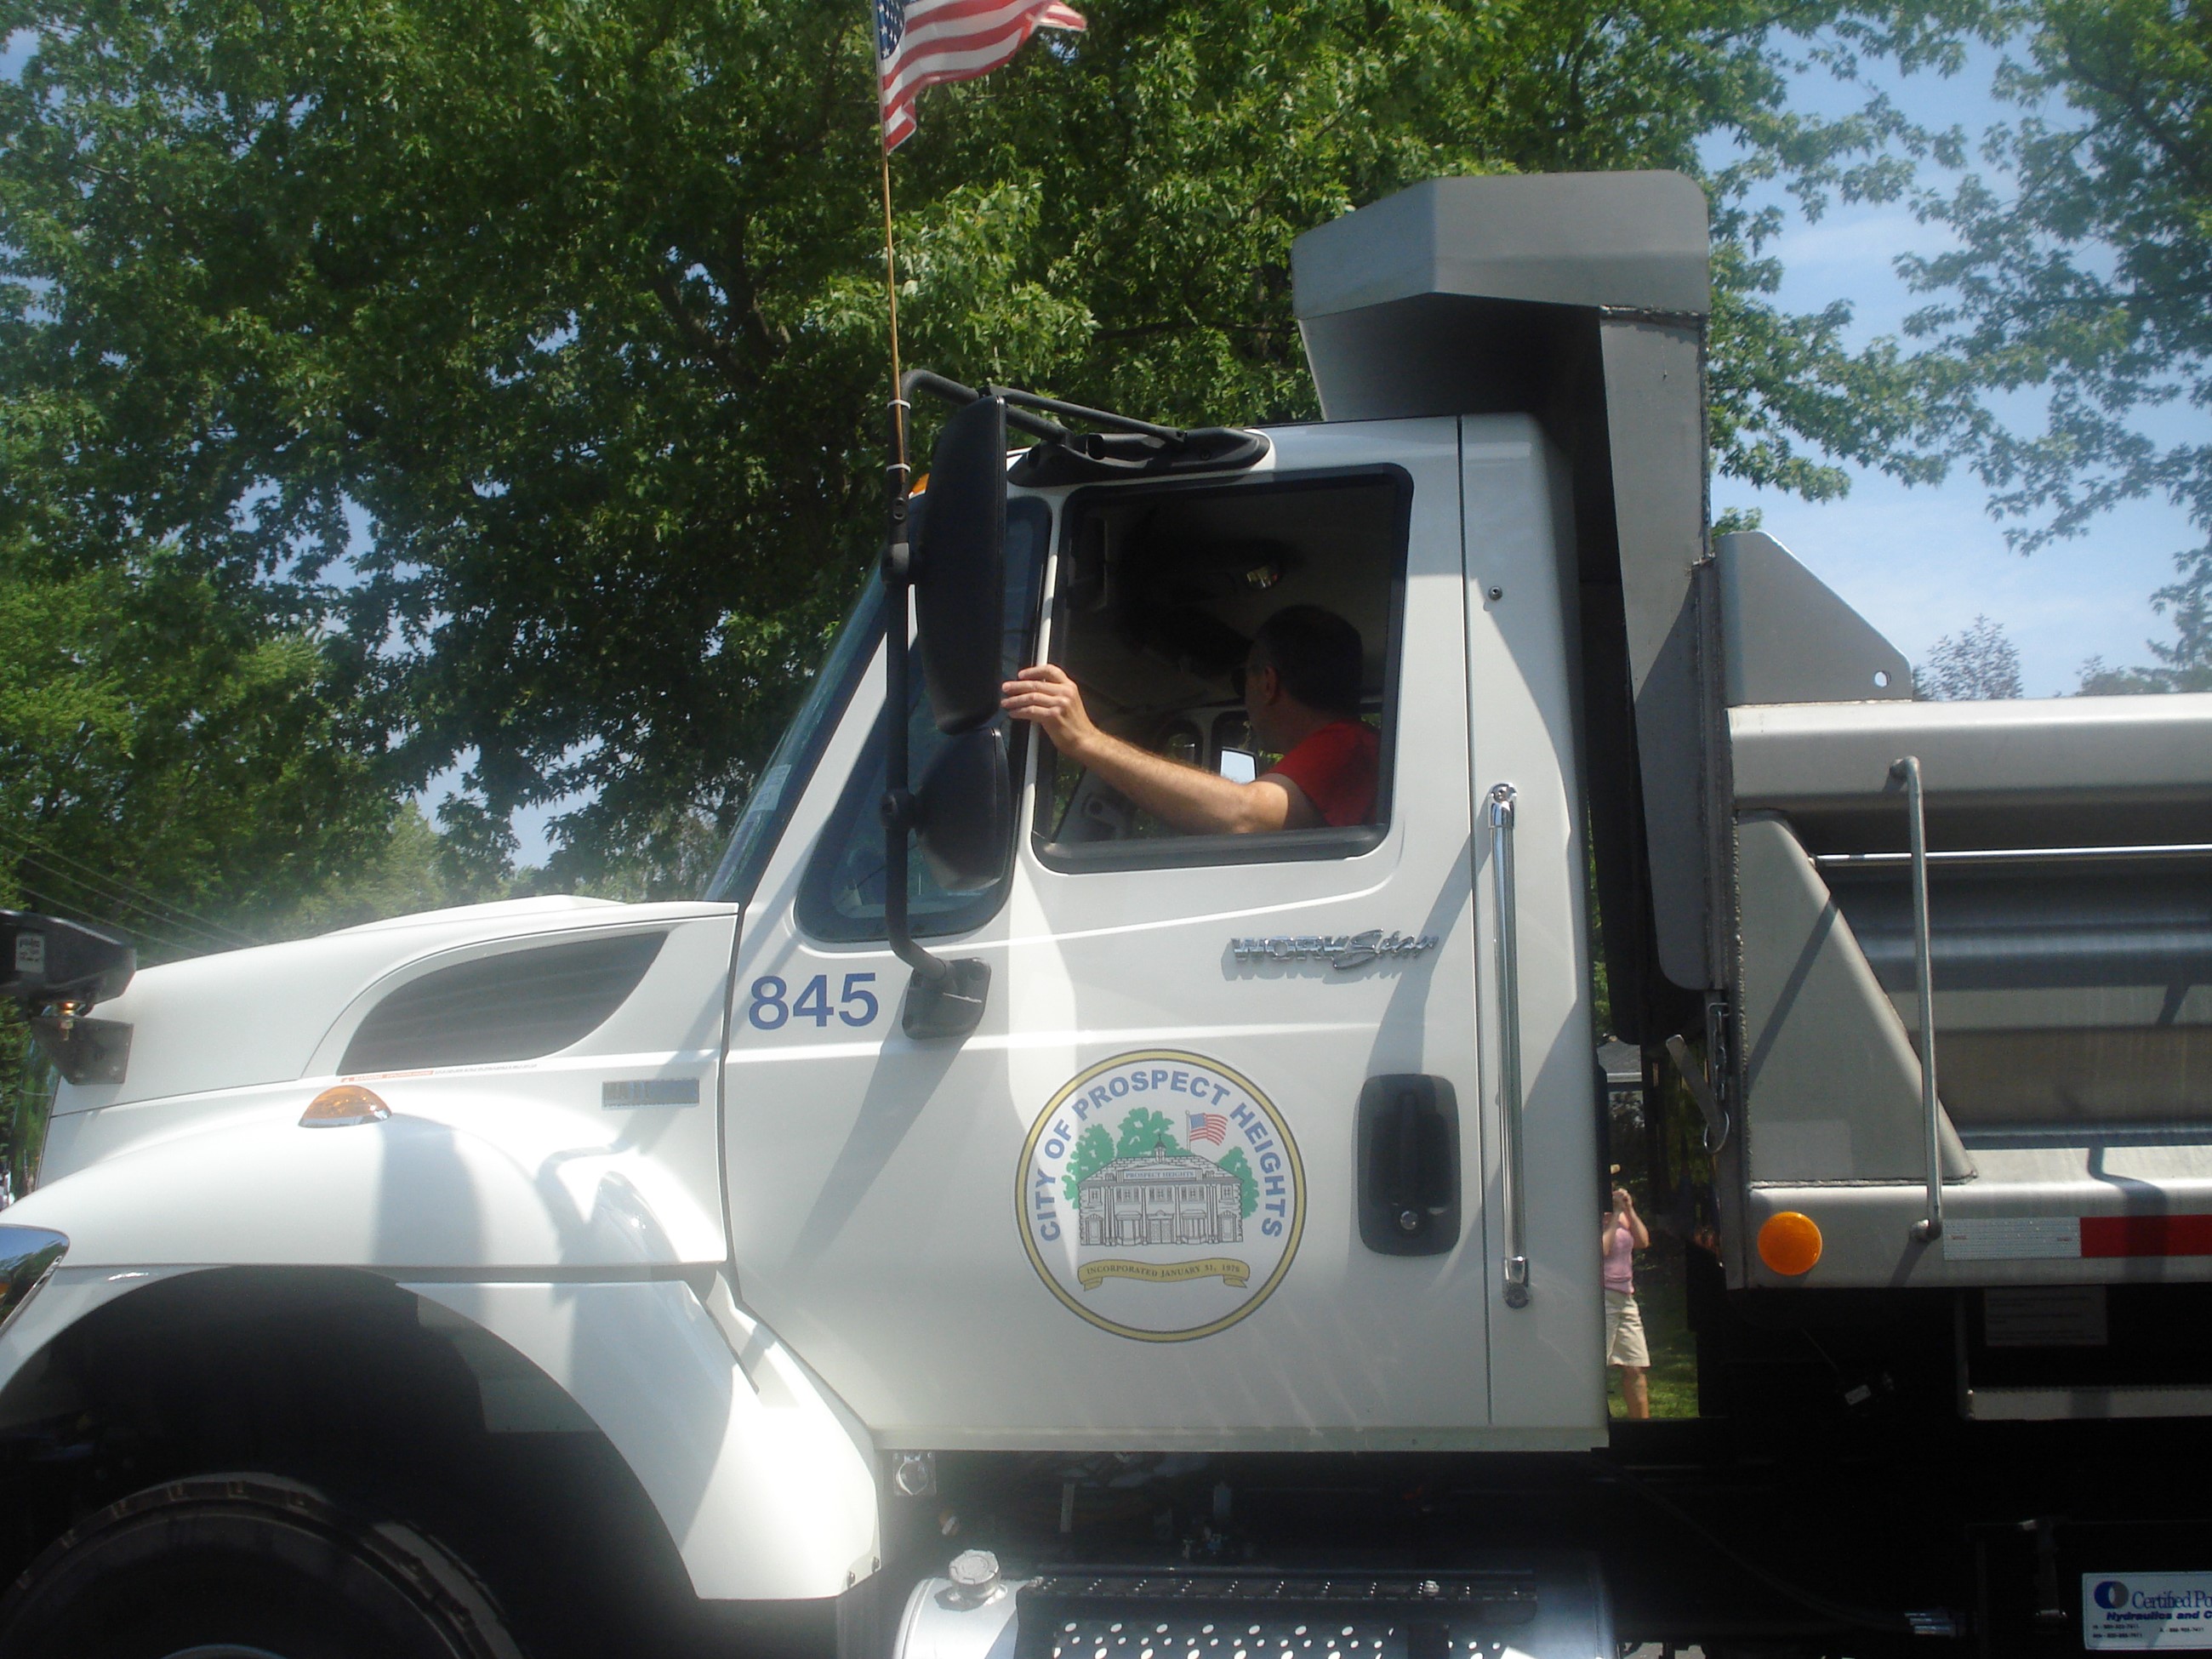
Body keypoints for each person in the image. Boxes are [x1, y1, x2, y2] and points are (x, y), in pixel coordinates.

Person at [1001, 605, 1378, 835]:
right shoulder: (1353, 748)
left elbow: (1245, 815)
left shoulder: (1349, 744)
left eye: (1241, 678)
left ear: (1266, 682)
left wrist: (1086, 740)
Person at [1603, 1175, 1652, 1420]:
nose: (1612, 1188)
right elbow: (1601, 1249)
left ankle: (1643, 1431)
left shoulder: (1623, 1215)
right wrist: (1612, 1219)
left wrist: (1629, 1211)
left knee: (1635, 1367)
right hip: (1601, 1298)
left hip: (1626, 1298)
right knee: (1594, 1368)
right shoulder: (1592, 1215)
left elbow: (1643, 1241)